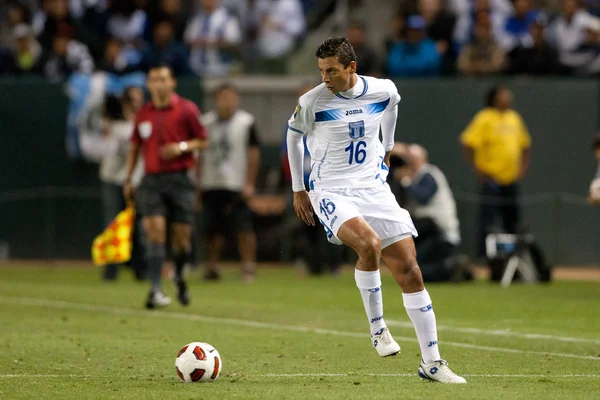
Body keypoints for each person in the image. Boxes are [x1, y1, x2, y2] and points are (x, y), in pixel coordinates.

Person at [287, 37, 465, 384]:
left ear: (351, 68)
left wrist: (386, 146)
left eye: (332, 71)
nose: (325, 78)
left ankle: (432, 363)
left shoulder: (382, 90)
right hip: (331, 189)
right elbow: (293, 136)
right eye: (321, 71)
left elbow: (392, 106)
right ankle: (377, 327)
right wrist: (299, 189)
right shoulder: (312, 101)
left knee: (411, 270)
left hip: (373, 188)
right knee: (368, 244)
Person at [124, 64, 208, 309]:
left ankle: (179, 275)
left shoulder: (186, 109)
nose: (157, 84)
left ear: (172, 83)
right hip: (151, 180)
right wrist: (128, 178)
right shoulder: (144, 113)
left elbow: (203, 140)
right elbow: (135, 147)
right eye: (153, 79)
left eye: (162, 79)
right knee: (154, 232)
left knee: (181, 240)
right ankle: (155, 289)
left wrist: (181, 147)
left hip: (180, 178)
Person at [198, 83, 261, 283]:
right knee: (212, 228)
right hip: (212, 180)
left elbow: (253, 154)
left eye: (231, 97)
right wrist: (198, 182)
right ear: (216, 100)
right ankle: (212, 265)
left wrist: (249, 182)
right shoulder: (205, 122)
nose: (227, 102)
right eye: (223, 97)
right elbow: (199, 154)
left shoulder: (246, 122)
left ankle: (248, 266)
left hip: (236, 181)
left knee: (243, 226)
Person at [460, 85, 532, 257]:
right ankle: (485, 257)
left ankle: (514, 257)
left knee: (512, 221)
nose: (509, 97)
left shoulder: (514, 118)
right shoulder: (485, 117)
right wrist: (477, 168)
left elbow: (525, 145)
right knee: (488, 221)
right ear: (494, 98)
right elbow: (467, 142)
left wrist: (522, 168)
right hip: (491, 179)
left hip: (510, 179)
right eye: (504, 94)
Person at [281, 83, 344, 277]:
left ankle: (333, 264)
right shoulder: (294, 122)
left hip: (326, 181)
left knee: (332, 221)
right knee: (307, 225)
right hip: (305, 182)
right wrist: (295, 184)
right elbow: (286, 155)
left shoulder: (331, 118)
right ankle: (312, 264)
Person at [391, 143, 471, 282]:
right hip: (428, 232)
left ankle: (453, 265)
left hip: (439, 231)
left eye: (411, 160)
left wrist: (406, 180)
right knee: (413, 268)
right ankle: (450, 267)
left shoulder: (429, 174)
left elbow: (423, 198)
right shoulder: (416, 177)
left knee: (419, 272)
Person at [99, 86, 147, 282]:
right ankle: (111, 268)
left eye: (138, 99)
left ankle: (139, 267)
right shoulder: (113, 123)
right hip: (112, 179)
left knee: (138, 226)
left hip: (137, 181)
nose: (135, 102)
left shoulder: (145, 123)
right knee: (113, 223)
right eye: (131, 99)